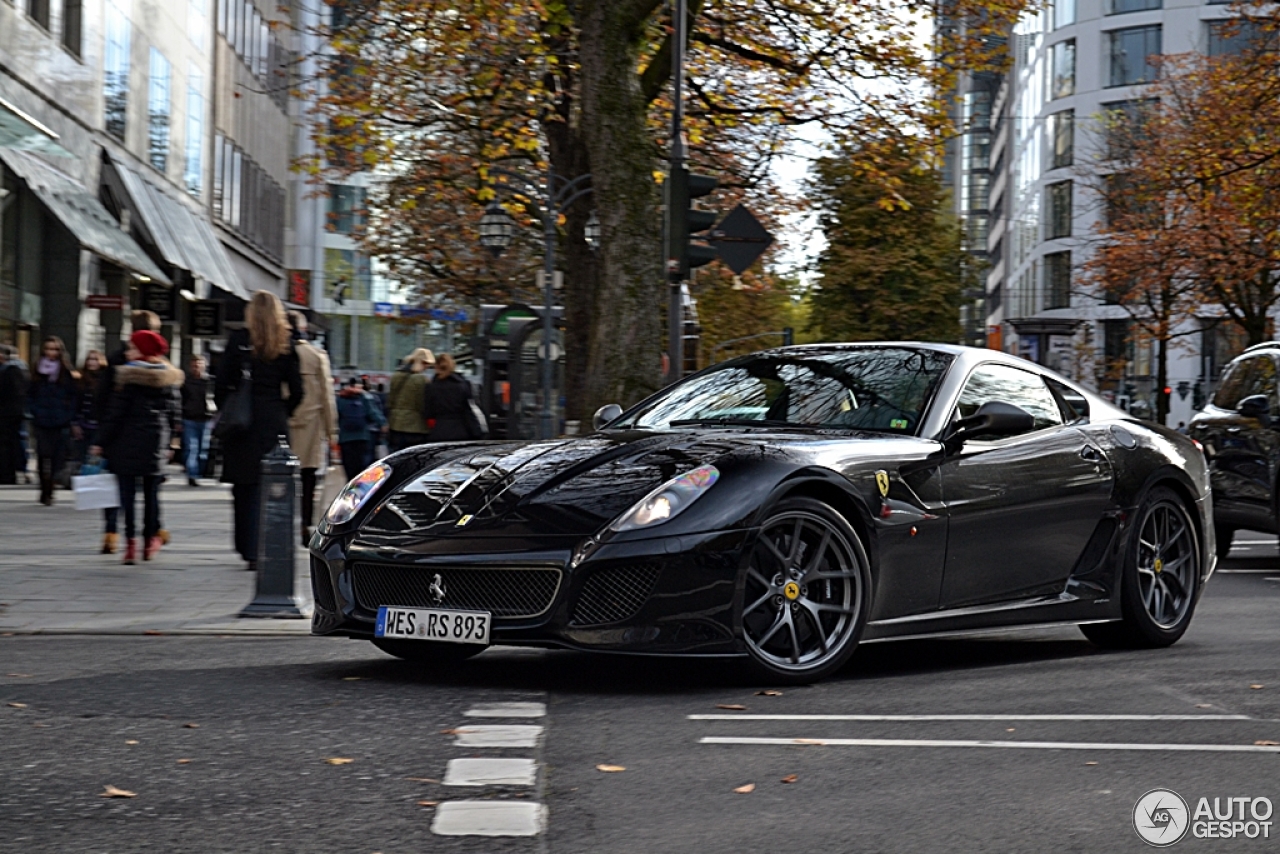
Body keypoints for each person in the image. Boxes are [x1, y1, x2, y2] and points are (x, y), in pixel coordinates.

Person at [215, 291, 303, 571]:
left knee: (243, 488)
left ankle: (248, 547)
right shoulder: (286, 344)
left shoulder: (239, 341)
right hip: (273, 422)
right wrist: (282, 410)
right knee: (272, 487)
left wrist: (230, 409)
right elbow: (299, 390)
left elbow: (221, 384)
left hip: (243, 423)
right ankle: (268, 545)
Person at [92, 332, 183, 564]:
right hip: (155, 443)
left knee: (127, 495)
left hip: (126, 443)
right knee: (152, 495)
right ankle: (150, 540)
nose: (128, 352)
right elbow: (174, 415)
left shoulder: (127, 378)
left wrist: (100, 441)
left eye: (133, 348)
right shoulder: (168, 379)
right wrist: (173, 442)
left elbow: (115, 415)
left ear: (143, 351)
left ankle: (130, 544)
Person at [95, 311, 164, 554]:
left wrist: (101, 434)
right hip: (152, 439)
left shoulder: (118, 360)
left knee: (118, 488)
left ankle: (112, 532)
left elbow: (103, 398)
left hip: (119, 434)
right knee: (151, 490)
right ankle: (153, 533)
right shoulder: (164, 369)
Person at [286, 311, 337, 546]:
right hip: (311, 424)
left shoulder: (279, 352)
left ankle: (282, 521)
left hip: (284, 422)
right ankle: (304, 524)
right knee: (308, 478)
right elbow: (327, 397)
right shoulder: (317, 356)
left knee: (281, 477)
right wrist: (331, 431)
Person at [28, 336, 79, 505]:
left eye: (55, 349)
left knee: (58, 458)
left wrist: (68, 415)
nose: (51, 352)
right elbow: (30, 394)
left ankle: (52, 485)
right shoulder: (37, 370)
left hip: (60, 421)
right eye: (48, 349)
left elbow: (73, 396)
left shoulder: (65, 372)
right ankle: (45, 490)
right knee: (43, 456)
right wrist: (34, 411)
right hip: (41, 420)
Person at [423, 353, 485, 441]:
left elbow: (428, 411)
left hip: (439, 430)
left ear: (436, 367)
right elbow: (469, 409)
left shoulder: (431, 387)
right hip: (461, 430)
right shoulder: (463, 385)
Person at [337, 377, 384, 481]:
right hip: (362, 437)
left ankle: (349, 488)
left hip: (345, 438)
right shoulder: (364, 397)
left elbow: (335, 417)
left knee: (349, 468)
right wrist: (383, 424)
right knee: (361, 468)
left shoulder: (340, 398)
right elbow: (373, 413)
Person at [387, 348, 434, 452]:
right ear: (421, 362)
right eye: (426, 364)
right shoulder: (421, 379)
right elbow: (421, 404)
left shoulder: (396, 376)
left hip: (395, 424)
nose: (427, 367)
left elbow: (390, 400)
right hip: (415, 427)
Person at [180, 354, 214, 486]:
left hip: (206, 419)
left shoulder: (210, 382)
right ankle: (192, 474)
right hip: (189, 418)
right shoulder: (185, 382)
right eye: (194, 365)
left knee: (203, 449)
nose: (197, 368)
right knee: (191, 448)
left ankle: (199, 472)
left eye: (199, 365)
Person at [0, 344, 28, 484]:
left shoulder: (11, 371)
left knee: (9, 444)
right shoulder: (16, 369)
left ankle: (8, 474)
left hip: (9, 415)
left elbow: (15, 393)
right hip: (12, 414)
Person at [74, 350, 106, 466]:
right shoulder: (81, 380)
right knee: (82, 458)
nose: (91, 362)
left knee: (96, 460)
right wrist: (75, 423)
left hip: (99, 425)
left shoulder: (105, 381)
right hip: (83, 424)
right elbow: (77, 403)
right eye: (89, 359)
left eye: (95, 359)